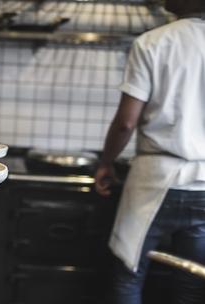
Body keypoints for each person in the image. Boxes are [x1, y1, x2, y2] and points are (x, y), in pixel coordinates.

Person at [94, 1, 205, 303]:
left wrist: (106, 163)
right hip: (203, 184)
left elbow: (126, 122)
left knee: (129, 273)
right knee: (193, 280)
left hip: (155, 178)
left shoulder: (153, 42)